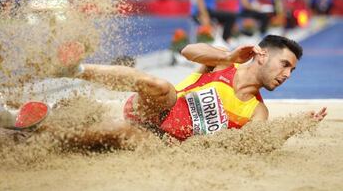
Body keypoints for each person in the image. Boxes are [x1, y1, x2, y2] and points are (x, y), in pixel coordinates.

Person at [42, 35, 326, 141]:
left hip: (157, 139)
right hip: (155, 105)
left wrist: (293, 127)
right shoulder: (224, 63)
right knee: (161, 86)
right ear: (262, 54)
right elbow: (189, 50)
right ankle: (76, 70)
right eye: (285, 64)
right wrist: (226, 56)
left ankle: (40, 131)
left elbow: (253, 144)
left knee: (116, 134)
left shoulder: (257, 112)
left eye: (292, 70)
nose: (288, 74)